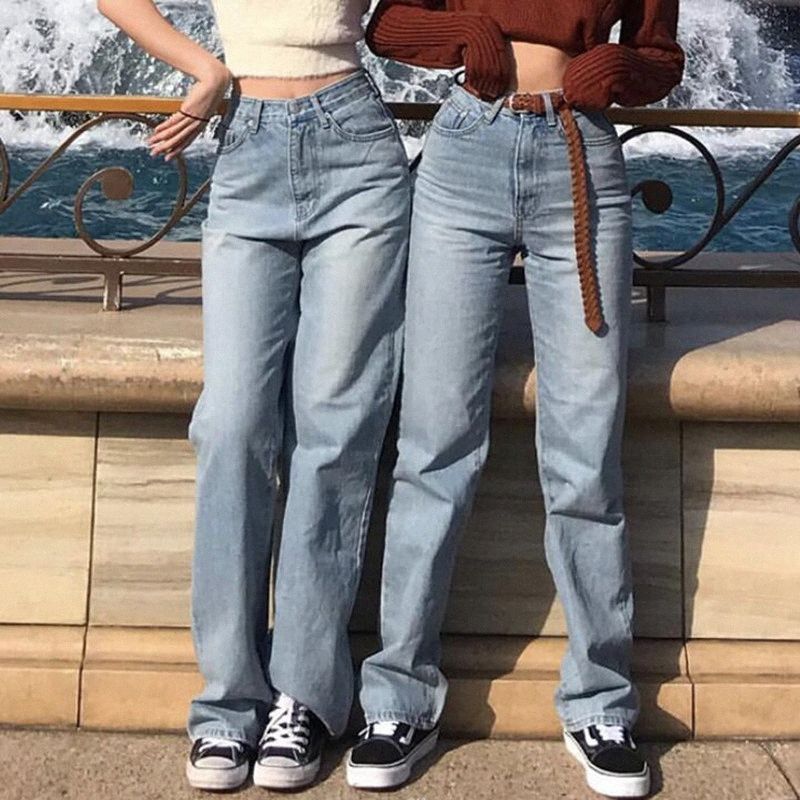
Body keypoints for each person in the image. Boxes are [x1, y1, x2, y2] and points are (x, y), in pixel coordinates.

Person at [350, 1, 685, 796]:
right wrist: (467, 37)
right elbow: (388, 25)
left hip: (581, 155)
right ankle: (399, 697)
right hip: (466, 154)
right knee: (434, 444)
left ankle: (601, 701)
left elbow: (661, 57)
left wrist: (618, 69)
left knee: (586, 455)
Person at [97, 0, 411, 792]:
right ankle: (228, 701)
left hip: (356, 144)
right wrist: (204, 70)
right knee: (232, 425)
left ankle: (303, 694)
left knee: (334, 428)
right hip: (249, 143)